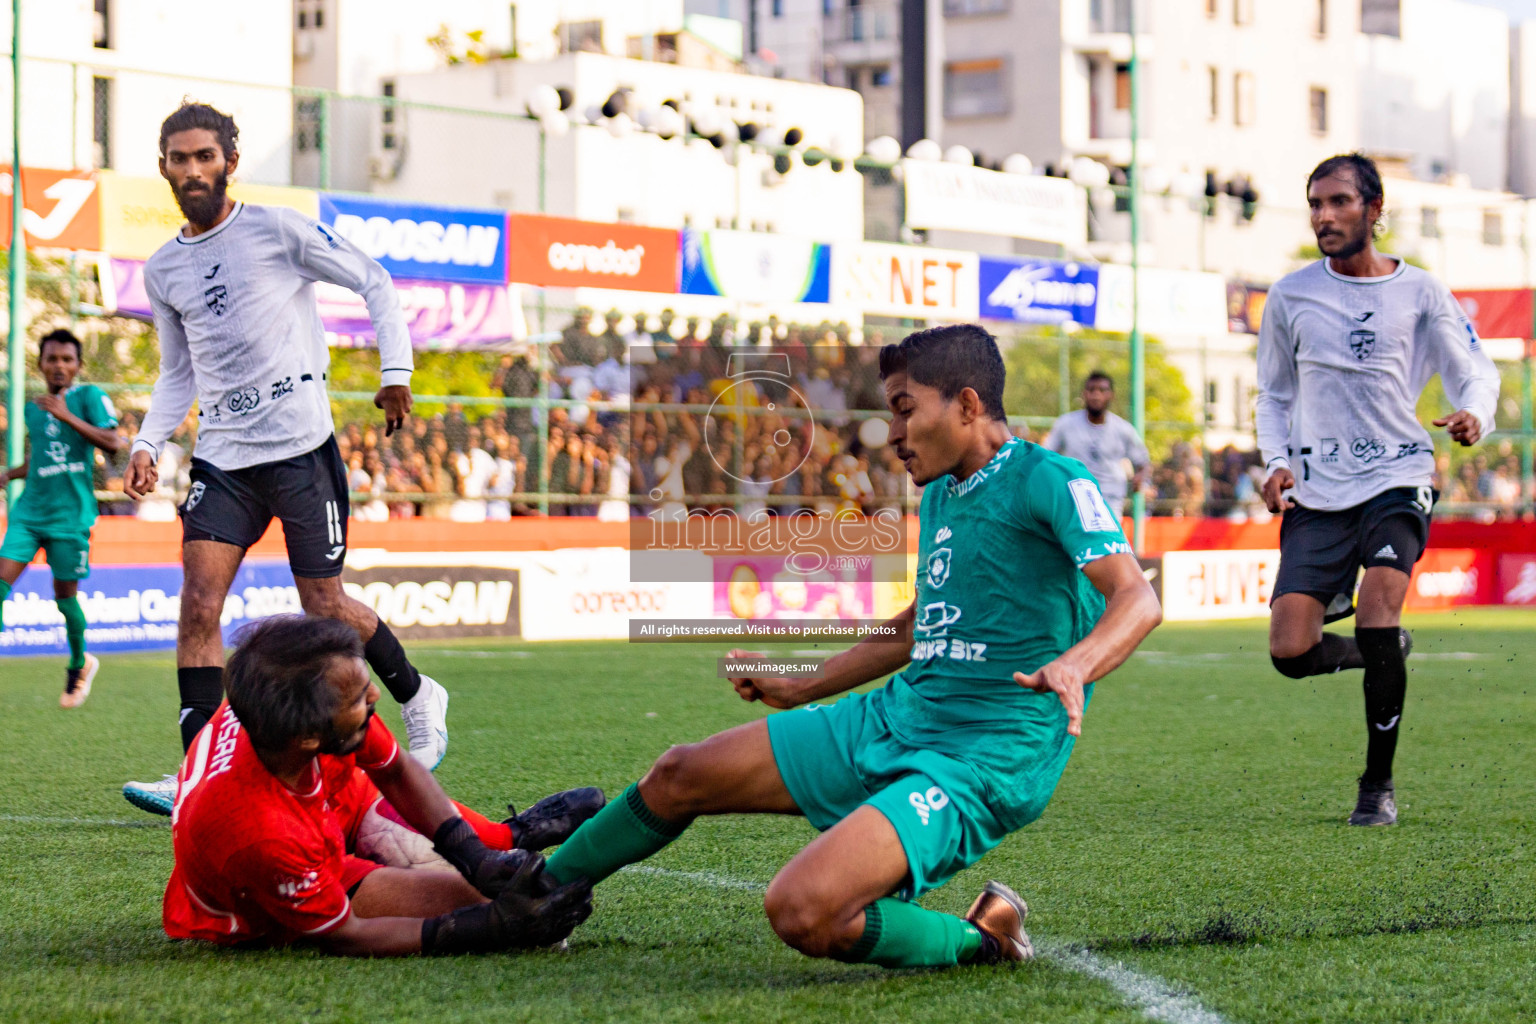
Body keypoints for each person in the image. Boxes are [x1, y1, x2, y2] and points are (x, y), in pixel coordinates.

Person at [539, 325, 1162, 968]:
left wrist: (1075, 664)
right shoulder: (945, 492)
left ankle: (988, 941)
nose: (891, 434)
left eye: (904, 409)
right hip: (901, 716)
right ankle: (537, 896)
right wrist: (805, 681)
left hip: (986, 754)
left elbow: (1136, 598)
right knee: (680, 773)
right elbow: (923, 624)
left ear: (968, 406)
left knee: (804, 910)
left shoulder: (1051, 478)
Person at [119, 102, 449, 816]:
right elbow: (179, 372)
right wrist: (149, 442)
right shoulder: (163, 269)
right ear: (165, 168)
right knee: (199, 606)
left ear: (230, 161)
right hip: (224, 459)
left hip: (301, 447)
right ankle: (201, 776)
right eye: (180, 159)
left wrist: (397, 372)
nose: (193, 169)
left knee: (322, 604)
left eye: (205, 155)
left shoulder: (276, 229)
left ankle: (420, 692)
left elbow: (374, 280)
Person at [1257, 153, 1500, 826]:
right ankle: (1376, 650)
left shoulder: (1420, 291)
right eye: (1314, 204)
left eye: (1337, 202)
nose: (1323, 216)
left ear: (1374, 209)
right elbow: (1274, 395)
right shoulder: (1290, 294)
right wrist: (1274, 461)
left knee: (1379, 607)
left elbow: (1472, 369)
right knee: (1289, 652)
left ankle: (1376, 786)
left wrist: (1474, 412)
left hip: (1398, 476)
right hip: (1319, 488)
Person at [164, 615, 602, 955]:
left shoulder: (299, 701)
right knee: (476, 901)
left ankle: (505, 834)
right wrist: (487, 929)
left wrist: (476, 855)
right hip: (272, 879)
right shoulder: (261, 833)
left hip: (328, 800)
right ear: (310, 738)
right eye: (359, 697)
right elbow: (345, 936)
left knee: (479, 860)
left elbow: (394, 770)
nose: (374, 696)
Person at [0, 329, 125, 706]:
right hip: (29, 514)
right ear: (40, 364)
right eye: (52, 359)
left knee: (64, 598)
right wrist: (9, 473)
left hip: (71, 518)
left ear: (78, 366)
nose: (59, 366)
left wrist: (66, 415)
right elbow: (43, 461)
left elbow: (114, 444)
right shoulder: (33, 408)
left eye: (67, 360)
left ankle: (78, 664)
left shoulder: (89, 398)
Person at [1043, 373, 1150, 521]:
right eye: (1091, 390)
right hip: (1075, 496)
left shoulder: (1123, 429)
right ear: (1084, 394)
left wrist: (1140, 477)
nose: (1096, 395)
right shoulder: (1065, 424)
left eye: (1102, 390)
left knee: (1107, 542)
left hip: (1110, 499)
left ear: (1111, 395)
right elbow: (1046, 455)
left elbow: (1143, 462)